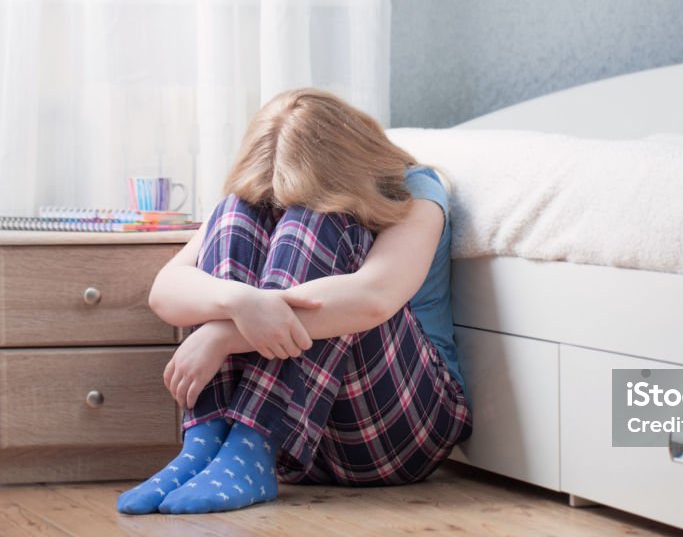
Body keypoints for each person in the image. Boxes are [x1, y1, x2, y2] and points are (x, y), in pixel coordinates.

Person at [116, 88, 471, 515]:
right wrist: (239, 301)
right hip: (299, 442)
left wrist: (224, 333)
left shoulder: (417, 191)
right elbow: (166, 289)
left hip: (399, 433)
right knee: (236, 212)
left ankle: (250, 444)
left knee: (323, 219)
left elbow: (373, 299)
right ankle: (207, 446)